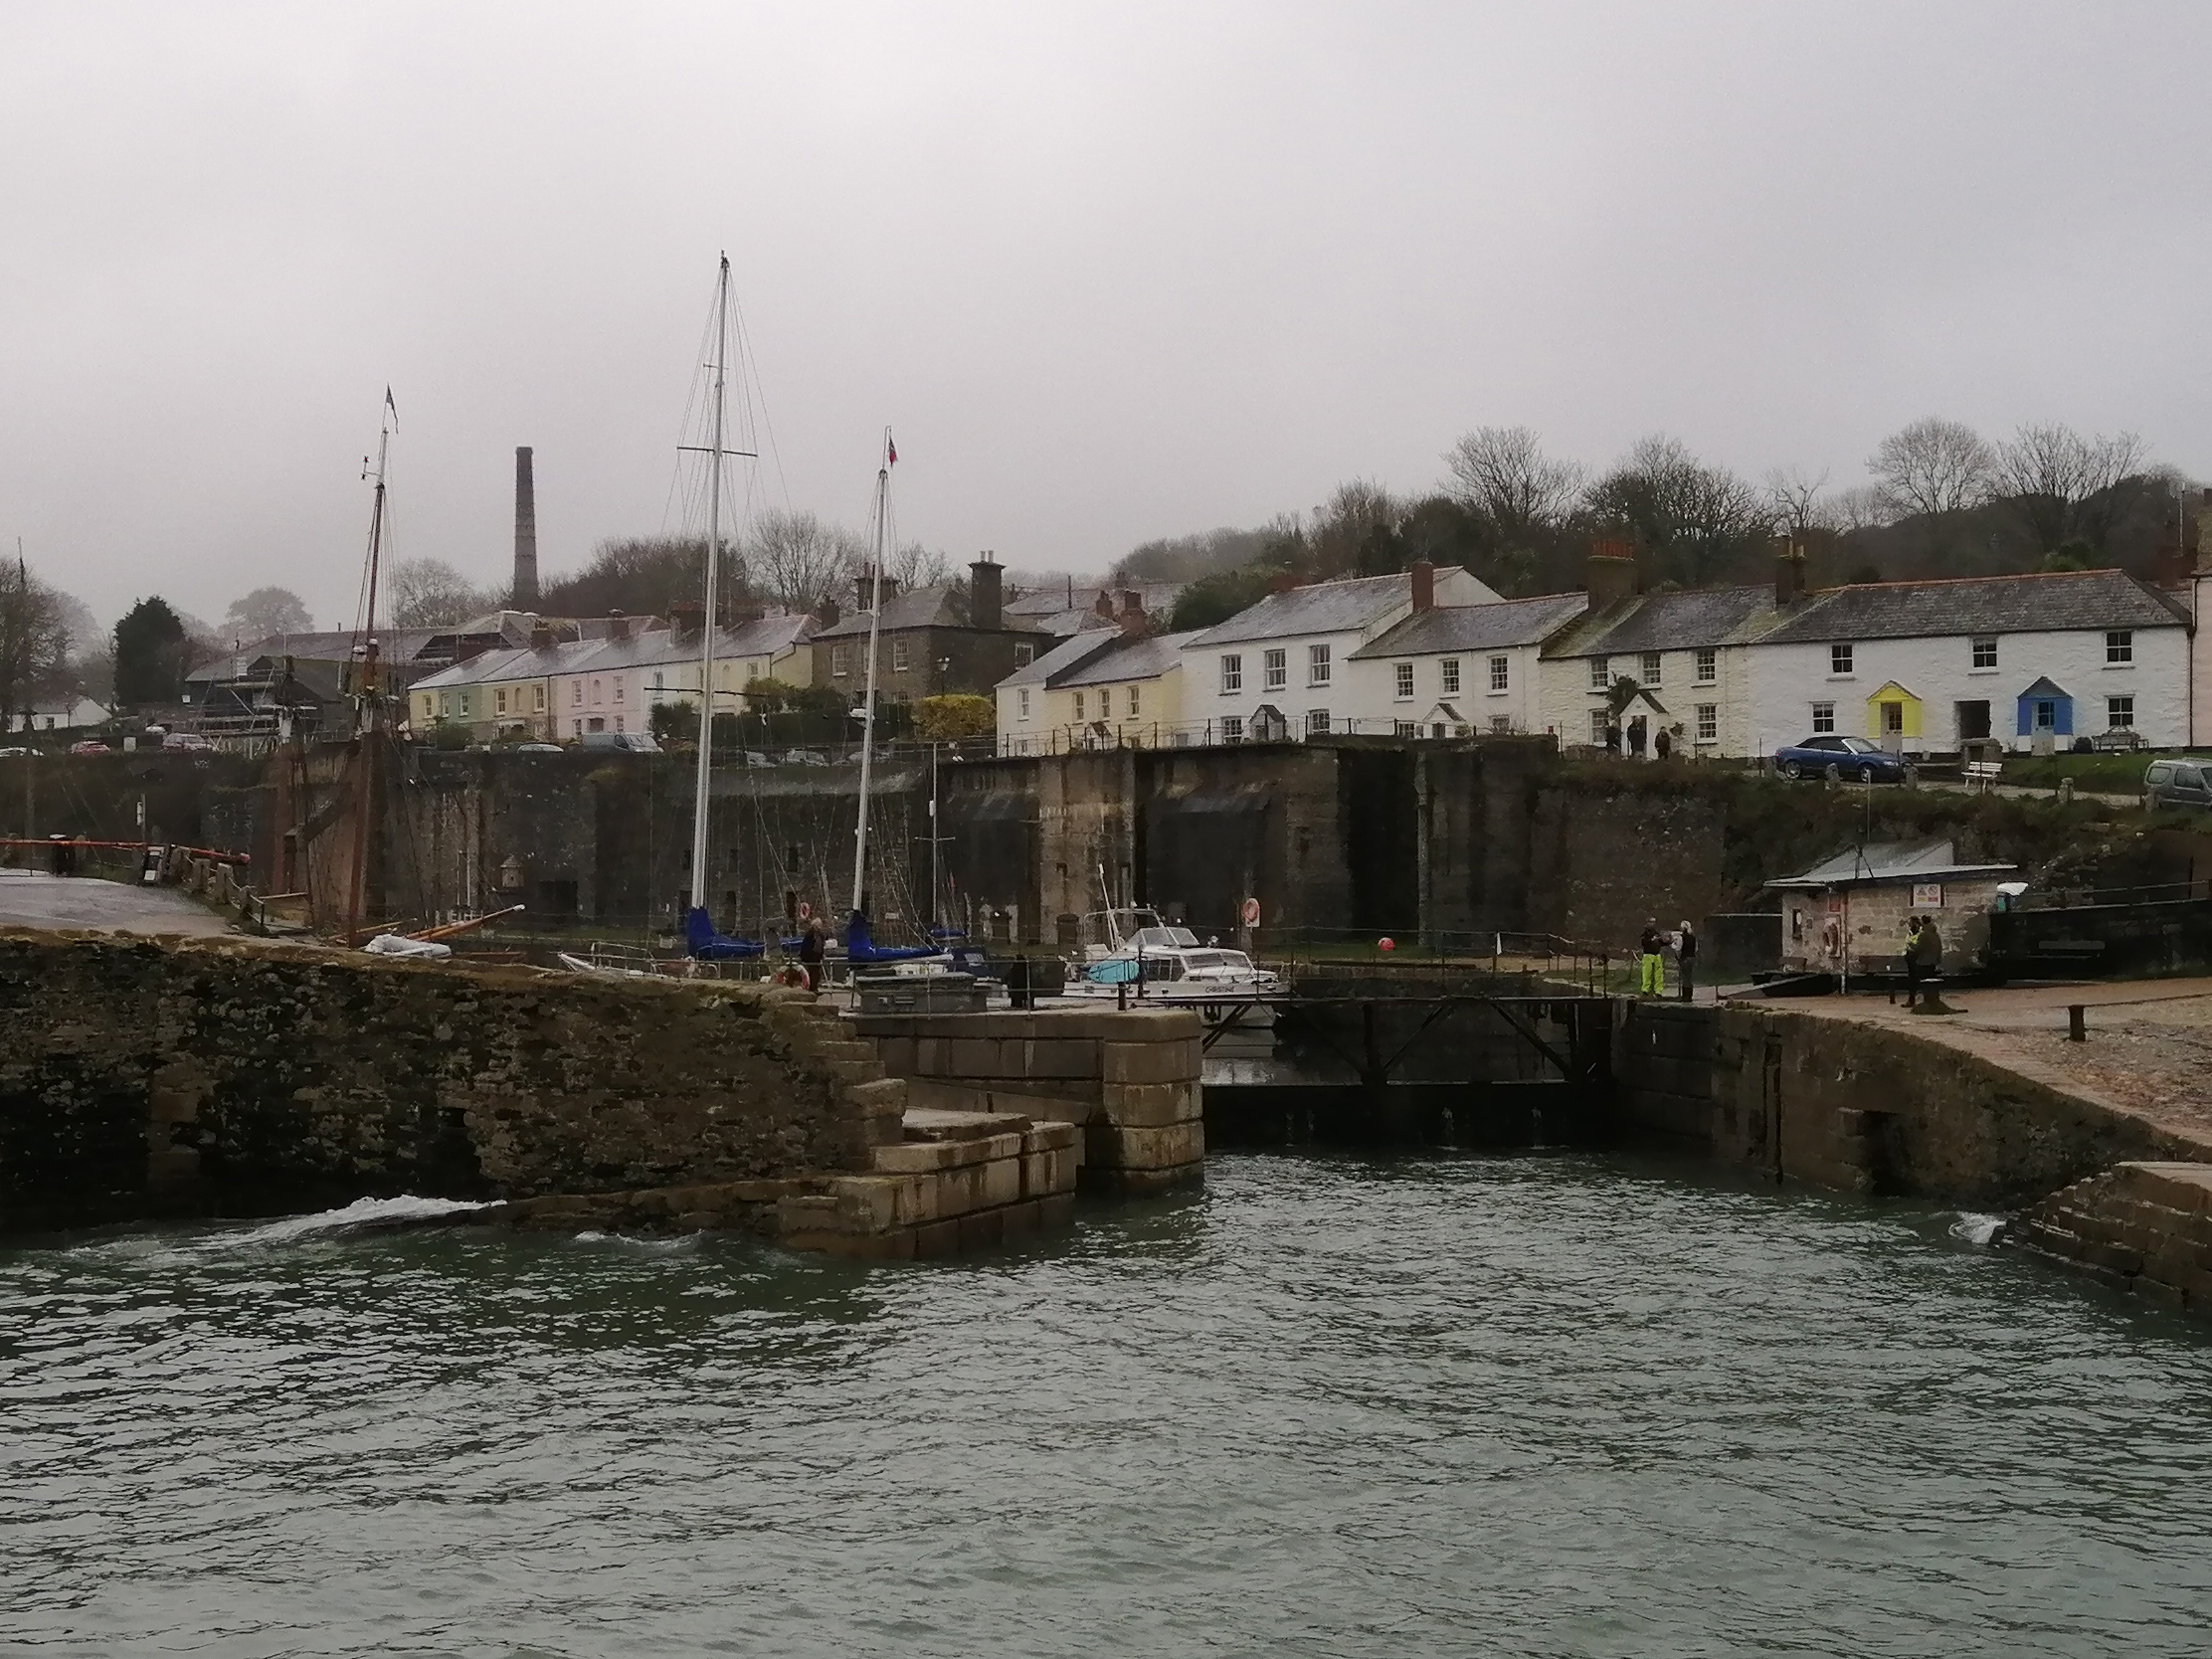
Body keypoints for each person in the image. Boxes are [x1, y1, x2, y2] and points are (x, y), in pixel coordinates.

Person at [1638, 917, 1667, 996]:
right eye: (1651, 922)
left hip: (1657, 954)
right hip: (1648, 955)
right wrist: (1651, 940)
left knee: (1658, 974)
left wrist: (1667, 941)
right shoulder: (1645, 933)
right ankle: (1645, 990)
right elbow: (1643, 942)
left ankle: (1658, 991)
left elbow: (1661, 942)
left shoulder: (1656, 932)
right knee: (1647, 973)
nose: (1653, 923)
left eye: (1654, 922)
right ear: (1647, 922)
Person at [1674, 919, 1698, 1002]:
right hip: (1692, 958)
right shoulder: (1693, 937)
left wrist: (1673, 946)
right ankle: (1689, 995)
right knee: (1689, 977)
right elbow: (1696, 948)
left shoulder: (1682, 937)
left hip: (1685, 958)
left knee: (1685, 977)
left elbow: (1678, 948)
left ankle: (1685, 997)